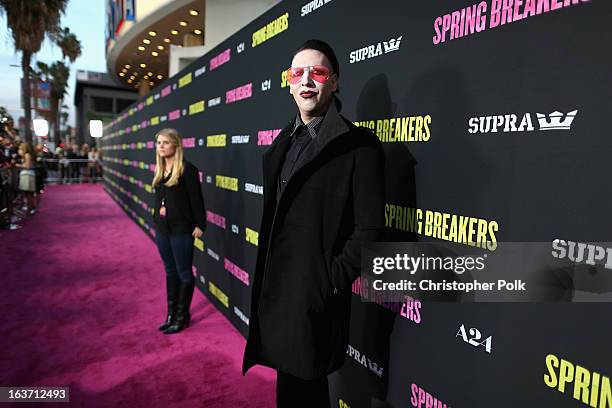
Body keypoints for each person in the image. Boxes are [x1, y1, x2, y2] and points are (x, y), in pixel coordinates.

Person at [241, 39, 385, 407]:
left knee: (308, 392)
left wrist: (327, 281)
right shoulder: (282, 145)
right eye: (297, 73)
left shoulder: (359, 147)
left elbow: (369, 230)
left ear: (333, 82)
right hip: (278, 294)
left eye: (317, 72)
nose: (306, 80)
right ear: (289, 82)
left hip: (313, 298)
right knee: (287, 389)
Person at [152, 128, 206, 334]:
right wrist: (156, 218)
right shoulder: (160, 168)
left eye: (166, 142)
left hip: (182, 229)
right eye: (159, 143)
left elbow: (196, 199)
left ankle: (182, 317)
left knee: (184, 273)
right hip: (162, 228)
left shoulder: (187, 169)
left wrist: (201, 224)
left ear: (176, 145)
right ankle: (170, 315)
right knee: (169, 271)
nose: (161, 146)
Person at [15, 142, 37, 215]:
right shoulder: (25, 155)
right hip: (27, 175)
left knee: (29, 193)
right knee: (28, 193)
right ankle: (31, 208)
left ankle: (31, 208)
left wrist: (17, 165)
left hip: (28, 175)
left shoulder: (27, 155)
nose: (19, 150)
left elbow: (27, 166)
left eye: (20, 148)